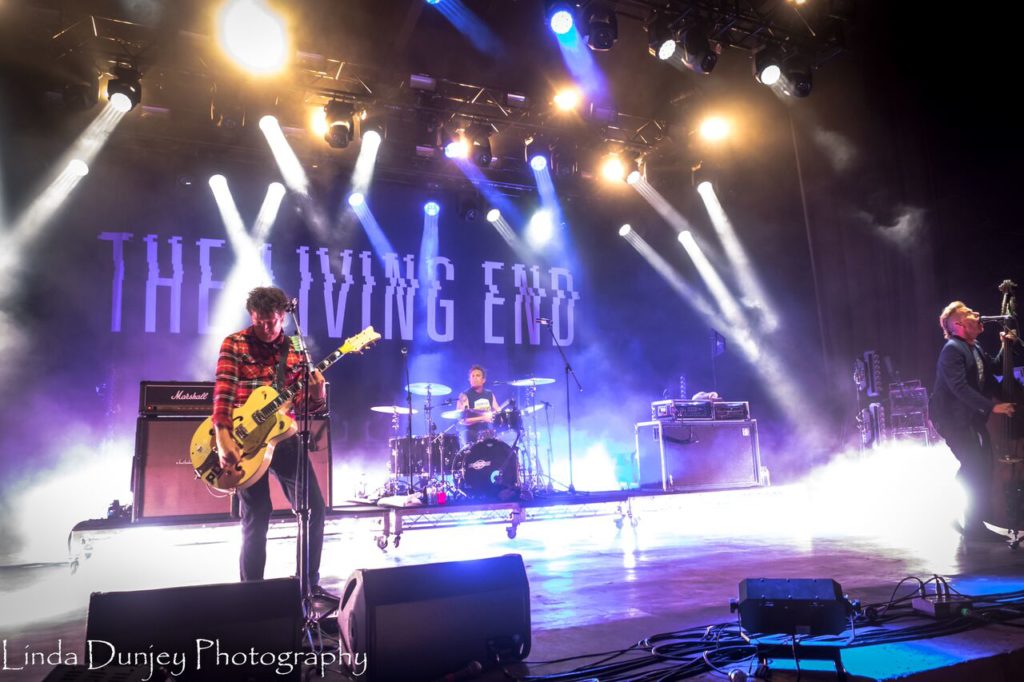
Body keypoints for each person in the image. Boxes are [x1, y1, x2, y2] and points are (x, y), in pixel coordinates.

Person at [212, 286, 331, 593]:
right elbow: (223, 395)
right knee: (257, 514)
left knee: (313, 509)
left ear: (283, 315)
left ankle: (307, 585)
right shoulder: (235, 343)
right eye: (260, 320)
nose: (267, 327)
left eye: (273, 320)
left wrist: (317, 394)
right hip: (245, 442)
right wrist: (224, 439)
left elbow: (305, 403)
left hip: (284, 437)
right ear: (252, 315)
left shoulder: (294, 348)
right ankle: (252, 592)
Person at [929, 301, 1017, 540]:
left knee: (984, 465)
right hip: (952, 419)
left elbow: (994, 367)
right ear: (958, 325)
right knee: (975, 465)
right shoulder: (952, 350)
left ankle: (975, 525)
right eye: (969, 313)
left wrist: (1005, 346)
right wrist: (993, 406)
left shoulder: (974, 346)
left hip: (970, 417)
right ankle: (971, 524)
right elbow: (959, 388)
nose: (977, 314)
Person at [456, 364, 502, 446]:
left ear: (483, 380)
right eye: (472, 376)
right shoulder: (464, 396)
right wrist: (483, 418)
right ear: (469, 379)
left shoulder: (489, 394)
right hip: (471, 434)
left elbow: (498, 411)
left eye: (477, 375)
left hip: (488, 433)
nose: (474, 378)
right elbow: (462, 420)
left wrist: (500, 415)